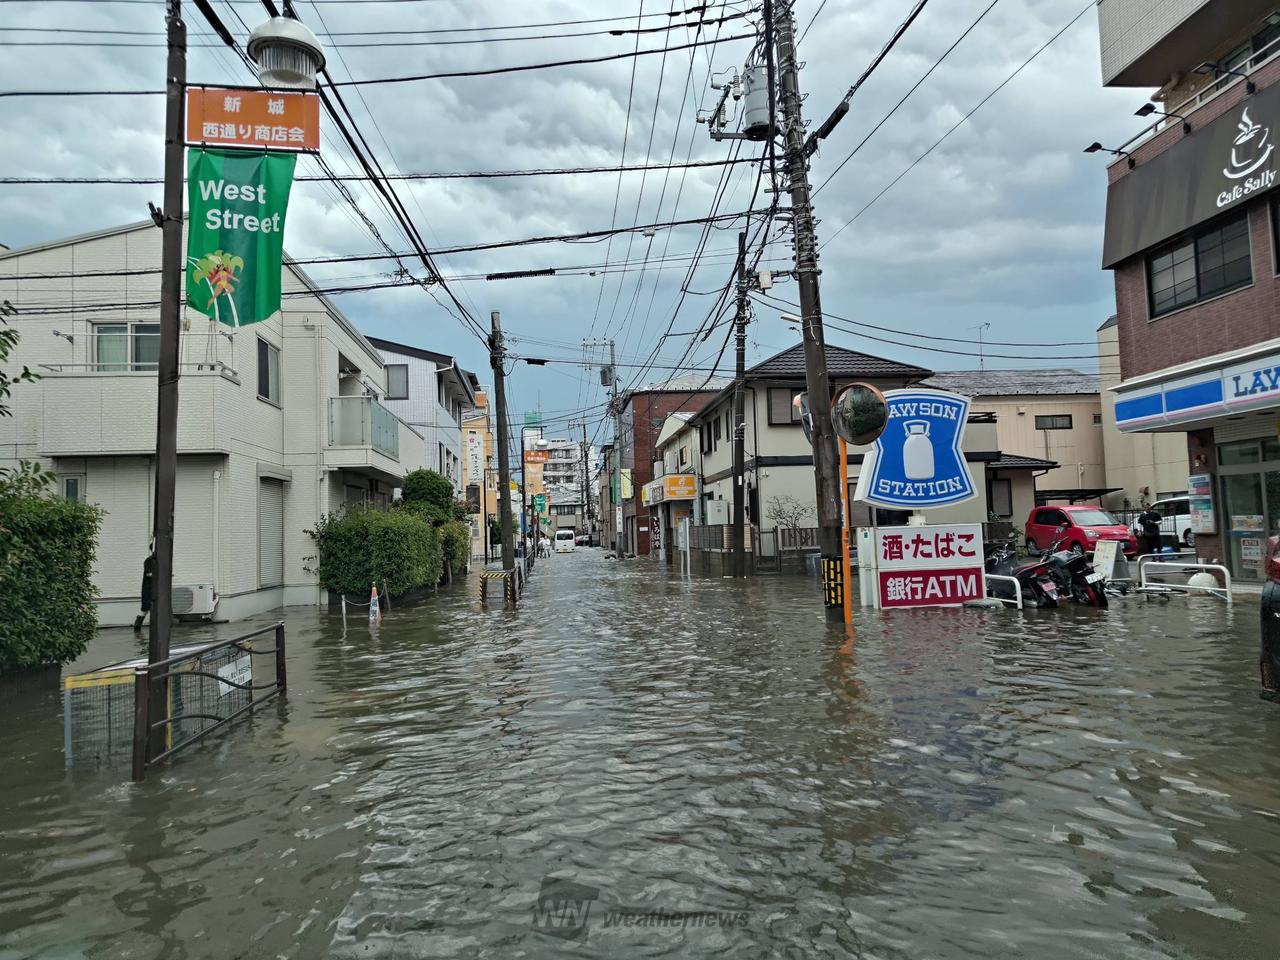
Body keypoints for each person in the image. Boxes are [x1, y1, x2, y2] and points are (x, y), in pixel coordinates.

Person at [134, 540, 156, 632]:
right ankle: (137, 626)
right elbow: (148, 574)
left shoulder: (159, 560)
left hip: (156, 589)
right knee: (145, 609)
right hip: (148, 588)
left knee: (154, 608)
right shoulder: (149, 561)